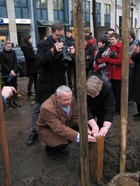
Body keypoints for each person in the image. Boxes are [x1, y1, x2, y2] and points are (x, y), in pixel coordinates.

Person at [27, 23, 76, 145]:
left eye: (61, 35)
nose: (59, 37)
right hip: (45, 83)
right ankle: (33, 132)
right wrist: (52, 51)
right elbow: (38, 62)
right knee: (38, 108)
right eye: (56, 35)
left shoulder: (65, 43)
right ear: (51, 32)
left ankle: (57, 133)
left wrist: (72, 54)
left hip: (59, 83)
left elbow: (71, 64)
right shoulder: (43, 44)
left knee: (61, 108)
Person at [36, 85, 96, 160]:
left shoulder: (69, 100)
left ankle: (61, 146)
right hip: (48, 129)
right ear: (57, 98)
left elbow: (75, 116)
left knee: (73, 133)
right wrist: (79, 136)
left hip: (62, 124)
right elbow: (58, 128)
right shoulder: (46, 108)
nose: (70, 102)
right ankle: (51, 150)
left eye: (71, 98)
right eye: (66, 100)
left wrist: (85, 128)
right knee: (63, 139)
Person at [97, 32, 122, 115]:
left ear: (117, 39)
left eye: (113, 39)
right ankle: (116, 108)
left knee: (118, 93)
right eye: (110, 39)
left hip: (118, 74)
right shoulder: (112, 47)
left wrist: (107, 60)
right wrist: (104, 60)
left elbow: (120, 61)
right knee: (114, 92)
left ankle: (119, 109)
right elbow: (109, 58)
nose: (111, 41)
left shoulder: (120, 47)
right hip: (112, 73)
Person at [0, 41, 21, 108]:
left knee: (14, 87)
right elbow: (3, 64)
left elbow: (15, 62)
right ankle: (10, 102)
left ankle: (15, 100)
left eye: (10, 47)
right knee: (8, 88)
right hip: (6, 74)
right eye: (8, 47)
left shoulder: (13, 52)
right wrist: (10, 71)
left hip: (14, 73)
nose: (9, 48)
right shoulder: (1, 53)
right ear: (5, 46)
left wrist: (14, 71)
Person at [21, 35, 38, 101]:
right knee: (31, 81)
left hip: (34, 66)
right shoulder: (26, 47)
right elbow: (30, 57)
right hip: (31, 67)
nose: (32, 40)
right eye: (31, 39)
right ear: (27, 40)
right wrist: (36, 54)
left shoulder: (29, 46)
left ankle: (36, 93)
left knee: (36, 80)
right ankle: (29, 94)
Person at [131, 42, 140, 121]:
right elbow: (134, 58)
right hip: (137, 73)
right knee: (137, 94)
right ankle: (139, 112)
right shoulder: (139, 43)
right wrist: (135, 53)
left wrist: (137, 53)